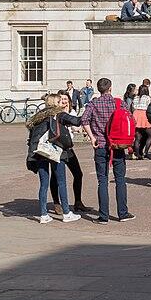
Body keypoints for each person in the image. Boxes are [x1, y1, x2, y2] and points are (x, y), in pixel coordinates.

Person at [83, 78, 134, 223]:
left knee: (102, 181)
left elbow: (84, 120)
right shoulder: (119, 103)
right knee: (120, 180)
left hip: (100, 145)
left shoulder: (93, 103)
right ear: (110, 88)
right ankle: (122, 213)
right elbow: (130, 119)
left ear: (98, 89)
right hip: (117, 145)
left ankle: (104, 216)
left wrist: (92, 137)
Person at [25, 94, 82, 223]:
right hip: (55, 151)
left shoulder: (37, 118)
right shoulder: (59, 115)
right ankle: (66, 213)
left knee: (44, 183)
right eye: (59, 101)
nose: (62, 102)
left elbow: (32, 139)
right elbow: (77, 121)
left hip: (40, 152)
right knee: (61, 182)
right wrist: (90, 112)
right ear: (54, 103)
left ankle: (43, 215)